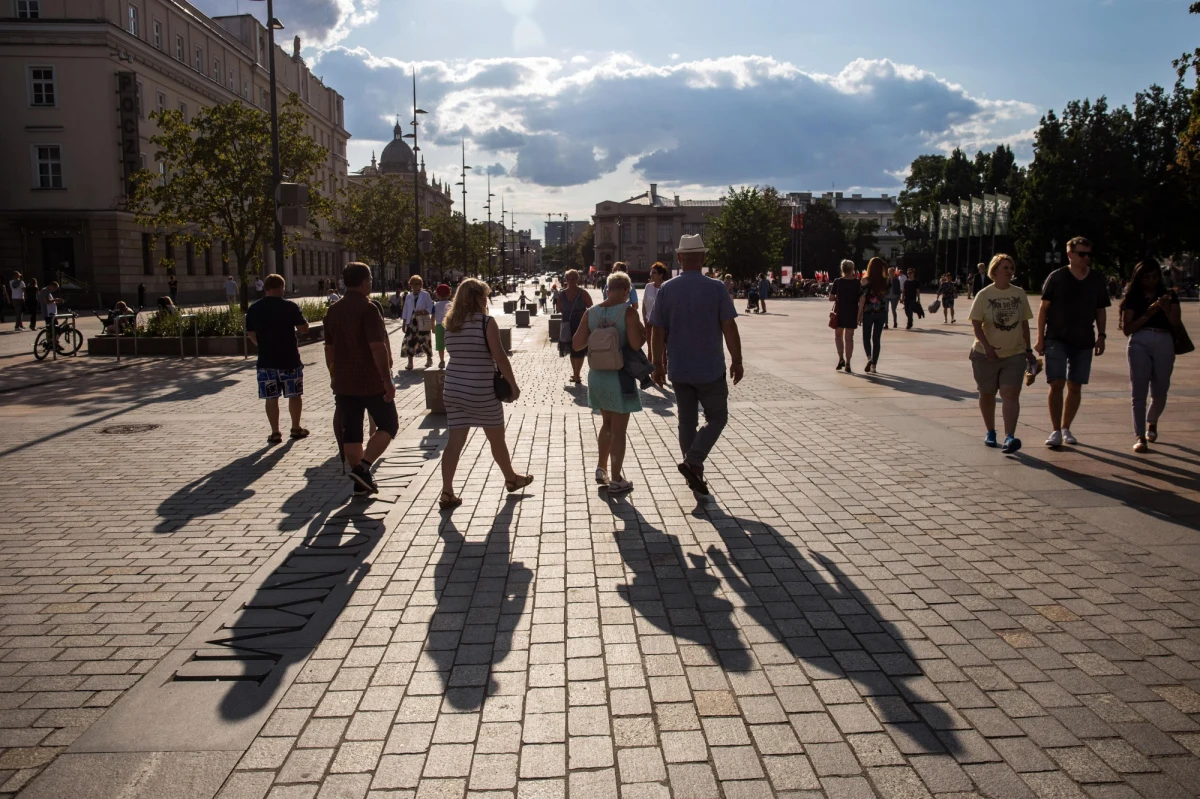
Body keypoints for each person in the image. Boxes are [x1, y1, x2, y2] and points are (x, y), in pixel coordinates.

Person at [649, 234, 742, 496]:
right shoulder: (716, 288)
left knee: (686, 421)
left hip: (679, 367)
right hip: (710, 367)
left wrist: (657, 364)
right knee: (717, 417)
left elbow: (657, 330)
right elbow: (729, 327)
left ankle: (694, 469)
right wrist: (737, 360)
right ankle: (693, 461)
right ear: (703, 258)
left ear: (679, 258)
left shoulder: (667, 289)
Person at [437, 278, 533, 509]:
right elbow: (499, 357)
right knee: (496, 438)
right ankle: (511, 478)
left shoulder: (449, 323)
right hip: (480, 389)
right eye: (485, 295)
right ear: (478, 298)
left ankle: (447, 491)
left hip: (453, 388)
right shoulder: (485, 322)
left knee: (454, 442)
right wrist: (513, 385)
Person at [323, 262, 398, 495]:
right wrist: (387, 379)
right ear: (365, 282)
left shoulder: (333, 310)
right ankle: (363, 468)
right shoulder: (368, 309)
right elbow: (377, 347)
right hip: (371, 381)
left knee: (352, 431)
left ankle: (359, 482)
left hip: (344, 382)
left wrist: (334, 375)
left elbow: (329, 349)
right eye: (371, 281)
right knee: (389, 424)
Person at [573, 271, 645, 494]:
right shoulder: (628, 312)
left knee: (606, 423)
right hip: (620, 375)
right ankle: (616, 479)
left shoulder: (591, 313)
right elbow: (634, 344)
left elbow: (576, 344)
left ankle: (601, 468)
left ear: (607, 288)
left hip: (597, 375)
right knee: (619, 430)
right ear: (626, 290)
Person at [1035, 236, 1109, 448]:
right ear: (1070, 255)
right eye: (1082, 254)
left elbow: (1100, 309)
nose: (1086, 258)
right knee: (1056, 382)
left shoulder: (1096, 278)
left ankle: (1066, 427)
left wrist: (1102, 336)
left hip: (1084, 339)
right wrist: (1040, 338)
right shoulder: (1057, 277)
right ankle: (1056, 429)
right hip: (1057, 337)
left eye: (1088, 254)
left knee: (1075, 385)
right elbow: (1043, 309)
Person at [968, 255, 1036, 454]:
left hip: (1014, 354)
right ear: (994, 270)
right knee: (987, 394)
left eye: (1011, 267)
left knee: (1010, 394)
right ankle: (990, 431)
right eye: (1005, 267)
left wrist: (1028, 350)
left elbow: (1024, 323)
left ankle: (1009, 437)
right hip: (985, 355)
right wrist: (987, 346)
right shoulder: (984, 294)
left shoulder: (1020, 294)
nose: (1009, 271)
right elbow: (976, 325)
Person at [1120, 260, 1180, 453]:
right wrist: (1149, 312)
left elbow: (1175, 322)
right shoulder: (1133, 297)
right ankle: (1139, 436)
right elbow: (1127, 329)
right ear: (1139, 277)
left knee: (1161, 389)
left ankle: (1151, 421)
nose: (1151, 280)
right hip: (1140, 341)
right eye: (1147, 276)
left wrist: (1165, 307)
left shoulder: (1169, 295)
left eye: (1155, 276)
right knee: (1138, 391)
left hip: (1164, 340)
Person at [246, 273, 311, 445]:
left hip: (266, 360)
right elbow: (303, 328)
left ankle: (275, 432)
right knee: (294, 395)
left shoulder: (254, 308)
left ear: (265, 288)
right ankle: (296, 428)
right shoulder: (290, 306)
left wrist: (260, 344)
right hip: (289, 358)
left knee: (271, 397)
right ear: (281, 287)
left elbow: (250, 332)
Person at [558, 269, 594, 384]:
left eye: (574, 278)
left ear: (577, 279)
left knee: (579, 349)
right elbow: (559, 308)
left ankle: (577, 375)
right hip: (567, 325)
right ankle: (575, 373)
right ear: (566, 280)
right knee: (572, 350)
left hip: (580, 324)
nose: (572, 281)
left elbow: (591, 307)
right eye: (569, 279)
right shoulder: (562, 294)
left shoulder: (583, 293)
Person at [857, 258, 889, 374]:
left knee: (866, 337)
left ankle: (869, 357)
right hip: (881, 312)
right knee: (876, 339)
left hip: (868, 312)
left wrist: (859, 315)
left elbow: (862, 299)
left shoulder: (865, 280)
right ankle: (874, 365)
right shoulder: (885, 281)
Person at [831, 260, 861, 373]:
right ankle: (848, 362)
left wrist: (839, 298)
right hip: (852, 312)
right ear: (852, 269)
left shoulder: (837, 282)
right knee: (849, 338)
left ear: (842, 269)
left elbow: (831, 297)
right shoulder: (857, 282)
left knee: (838, 336)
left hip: (840, 312)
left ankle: (841, 358)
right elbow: (861, 299)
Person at [400, 275, 434, 370]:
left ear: (420, 285)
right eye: (412, 284)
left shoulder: (425, 294)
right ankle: (410, 363)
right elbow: (405, 309)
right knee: (409, 341)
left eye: (417, 284)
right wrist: (404, 323)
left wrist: (422, 312)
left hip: (422, 320)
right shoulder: (408, 296)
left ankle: (429, 359)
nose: (414, 286)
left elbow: (430, 307)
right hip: (411, 322)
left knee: (425, 340)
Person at [643, 263, 668, 374]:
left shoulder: (666, 287)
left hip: (663, 323)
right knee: (650, 348)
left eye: (654, 272)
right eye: (651, 272)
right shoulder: (648, 286)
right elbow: (644, 304)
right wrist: (644, 319)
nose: (651, 274)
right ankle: (652, 371)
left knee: (663, 349)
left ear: (661, 275)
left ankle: (663, 370)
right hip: (649, 321)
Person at [433, 283, 452, 369]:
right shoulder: (451, 304)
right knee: (451, 343)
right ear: (449, 294)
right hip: (450, 326)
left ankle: (442, 360)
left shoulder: (435, 305)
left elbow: (432, 317)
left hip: (439, 326)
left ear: (437, 295)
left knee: (440, 345)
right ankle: (452, 358)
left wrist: (432, 327)